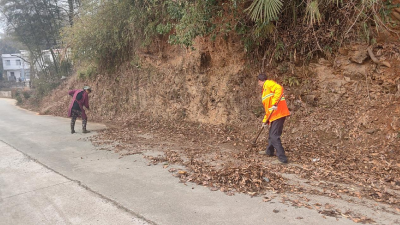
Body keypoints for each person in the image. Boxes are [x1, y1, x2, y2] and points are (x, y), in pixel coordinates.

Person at [258, 73, 290, 163]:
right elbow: (268, 109)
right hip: (274, 114)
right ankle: (269, 151)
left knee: (274, 136)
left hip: (278, 113)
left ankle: (282, 158)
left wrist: (274, 103)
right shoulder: (265, 90)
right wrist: (265, 121)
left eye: (259, 82)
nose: (259, 84)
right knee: (271, 133)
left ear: (260, 81)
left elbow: (279, 88)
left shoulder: (268, 84)